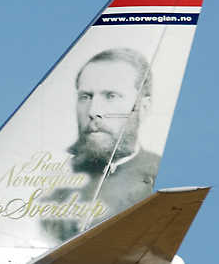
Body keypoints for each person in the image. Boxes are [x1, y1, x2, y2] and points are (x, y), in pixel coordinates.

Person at [41, 47, 161, 241]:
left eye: (111, 96)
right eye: (86, 97)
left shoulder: (158, 174)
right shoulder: (50, 183)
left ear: (144, 108)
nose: (93, 111)